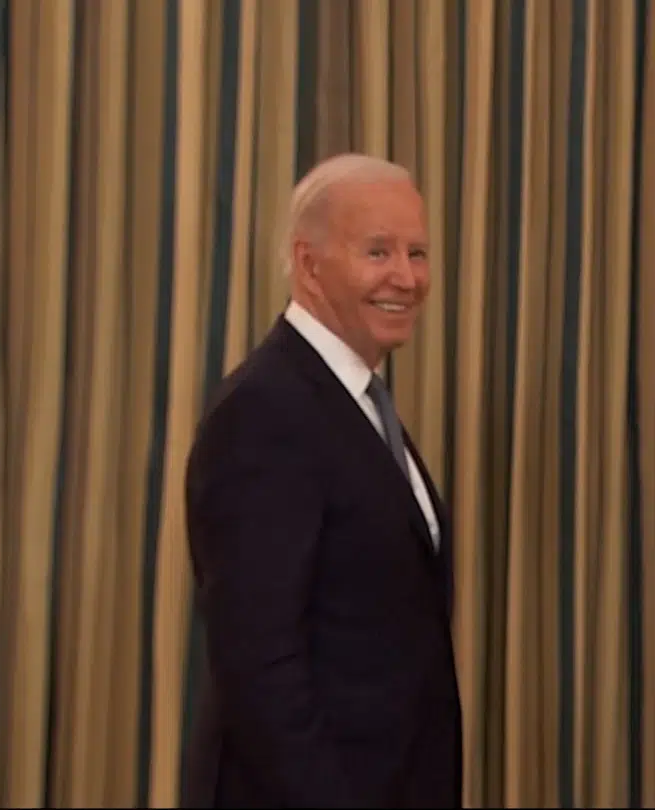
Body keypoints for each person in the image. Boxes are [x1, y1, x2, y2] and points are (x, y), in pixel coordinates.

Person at [179, 154, 461, 808]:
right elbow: (259, 665)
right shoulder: (265, 411)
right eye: (378, 252)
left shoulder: (353, 401)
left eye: (417, 253)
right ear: (309, 266)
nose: (406, 277)